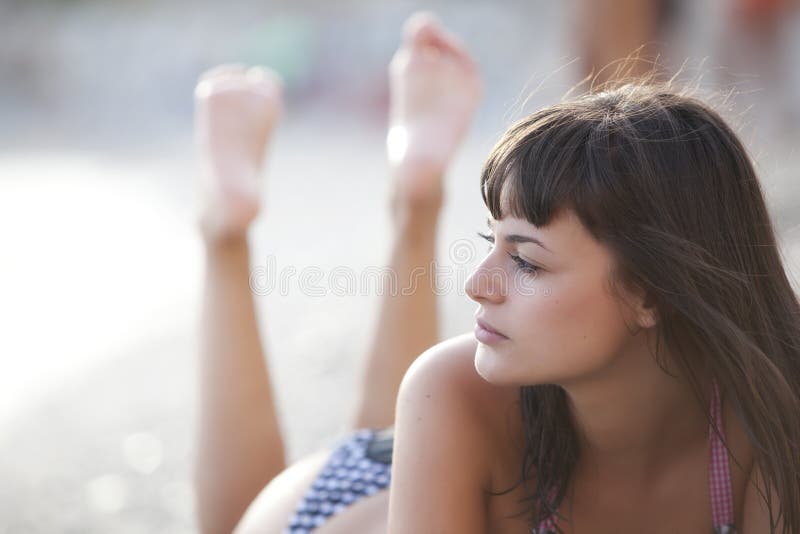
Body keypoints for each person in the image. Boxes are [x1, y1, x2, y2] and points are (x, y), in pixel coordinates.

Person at [193, 11, 799, 534]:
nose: (477, 282)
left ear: (651, 290)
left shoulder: (770, 413)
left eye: (527, 261)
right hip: (342, 506)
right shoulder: (452, 387)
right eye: (493, 241)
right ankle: (231, 229)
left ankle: (415, 189)